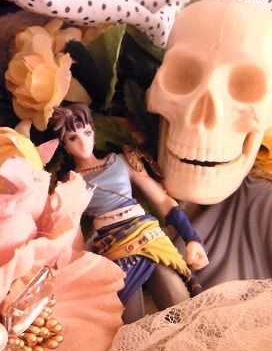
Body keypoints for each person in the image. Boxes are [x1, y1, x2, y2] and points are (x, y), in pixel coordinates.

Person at [50, 104, 208, 322]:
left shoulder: (121, 161)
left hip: (149, 236)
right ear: (63, 145)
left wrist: (191, 237)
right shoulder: (70, 182)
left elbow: (162, 199)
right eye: (72, 138)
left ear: (94, 132)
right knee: (130, 319)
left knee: (180, 303)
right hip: (115, 248)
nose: (83, 143)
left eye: (86, 132)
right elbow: (69, 229)